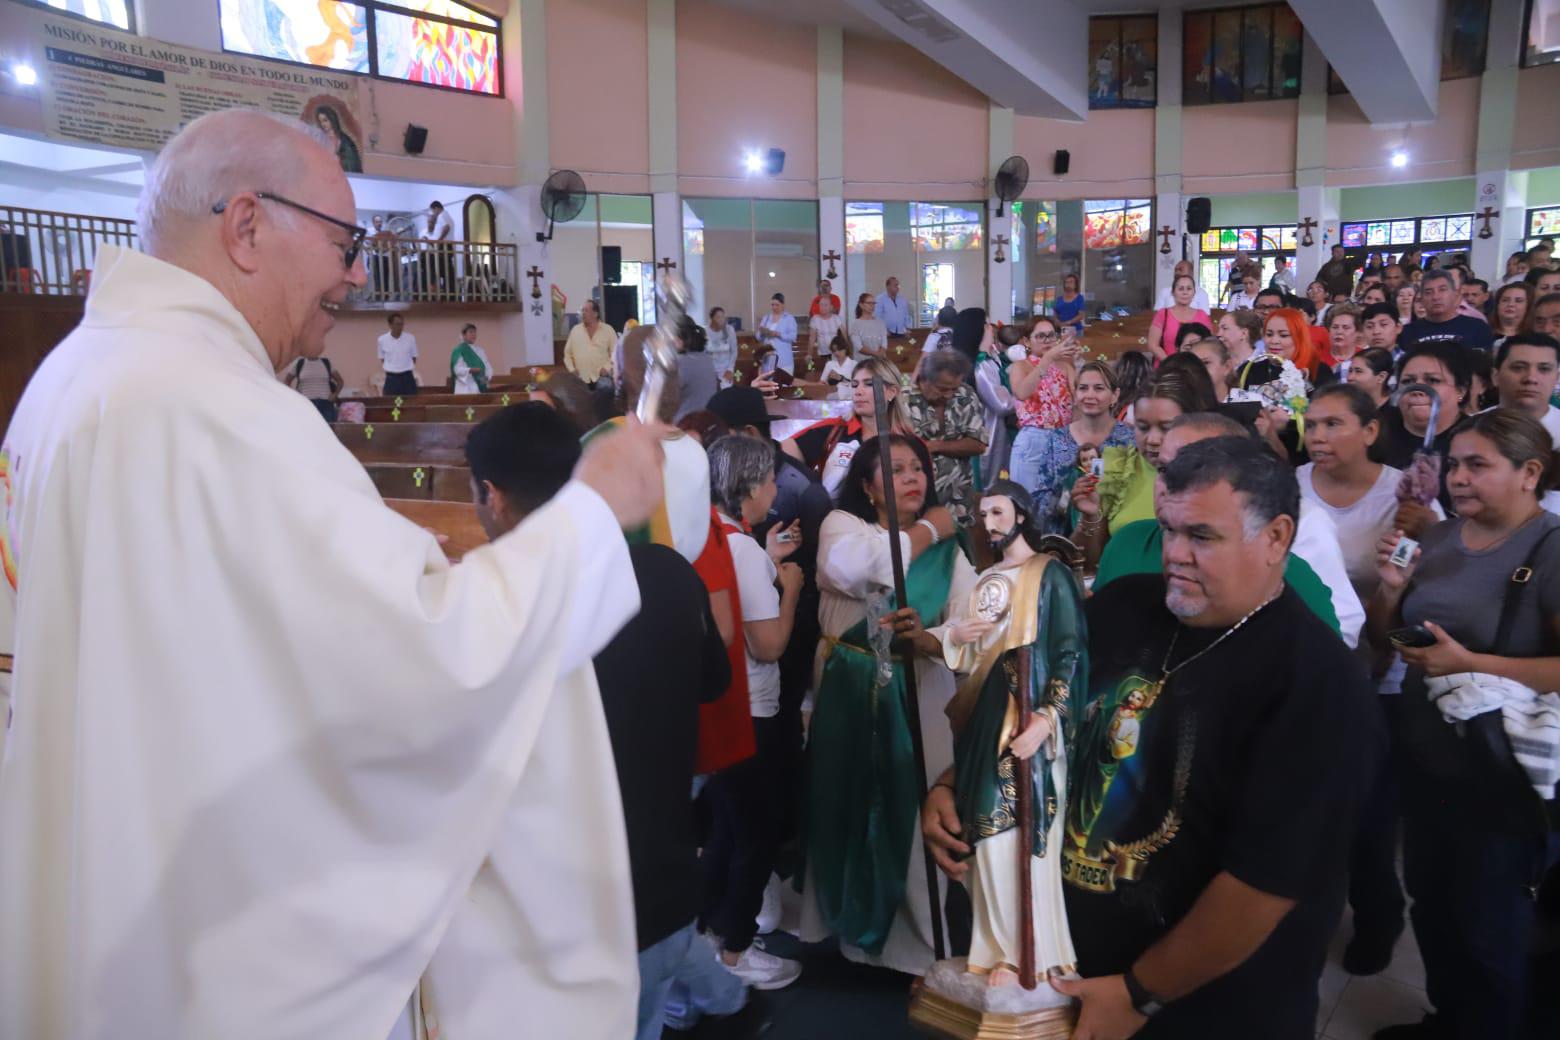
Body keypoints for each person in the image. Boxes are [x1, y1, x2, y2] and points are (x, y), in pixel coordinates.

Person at [0, 107, 670, 1040]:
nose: (355, 275)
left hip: (116, 909)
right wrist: (594, 510)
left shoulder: (70, 383)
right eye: (344, 243)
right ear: (246, 227)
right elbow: (436, 660)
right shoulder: (215, 411)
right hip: (225, 961)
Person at [927, 436, 1378, 1037]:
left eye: (1202, 537)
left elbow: (1264, 884)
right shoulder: (1122, 606)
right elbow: (1024, 699)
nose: (1175, 554)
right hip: (1058, 957)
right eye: (1169, 529)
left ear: (1275, 538)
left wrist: (1139, 994)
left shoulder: (1319, 684)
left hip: (1194, 1000)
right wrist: (956, 780)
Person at [459, 403, 738, 1040]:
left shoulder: (502, 618)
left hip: (572, 925)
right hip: (666, 885)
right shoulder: (670, 573)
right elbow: (713, 682)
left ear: (492, 495)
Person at [1367, 410, 1560, 1040]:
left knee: (1490, 925)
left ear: (1530, 472)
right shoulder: (1446, 539)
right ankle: (1450, 1020)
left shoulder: (1550, 548)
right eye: (1454, 465)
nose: (1459, 478)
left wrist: (1470, 662)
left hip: (1499, 774)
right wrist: (1392, 592)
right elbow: (1385, 639)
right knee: (1434, 904)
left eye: (1478, 465)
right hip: (1430, 758)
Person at [801, 435, 975, 975]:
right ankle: (845, 932)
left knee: (917, 806)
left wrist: (931, 637)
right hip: (849, 695)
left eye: (917, 468)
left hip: (920, 691)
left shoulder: (951, 552)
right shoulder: (843, 529)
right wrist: (927, 528)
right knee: (846, 804)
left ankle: (920, 946)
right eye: (895, 469)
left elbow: (972, 623)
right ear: (867, 485)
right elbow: (865, 568)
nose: (911, 477)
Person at [934, 481, 1087, 987]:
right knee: (983, 833)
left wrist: (1047, 717)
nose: (990, 523)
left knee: (1016, 836)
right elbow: (969, 654)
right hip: (983, 723)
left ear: (1021, 514)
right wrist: (956, 637)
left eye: (998, 512)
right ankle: (994, 948)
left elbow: (1071, 651)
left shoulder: (1050, 575)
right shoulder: (985, 580)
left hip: (1028, 728)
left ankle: (1029, 954)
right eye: (983, 514)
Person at [1090, 413, 1356, 643]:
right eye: (1164, 469)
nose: (1172, 486)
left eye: (1199, 470)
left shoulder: (1292, 578)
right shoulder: (1127, 543)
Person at [701, 435, 806, 990]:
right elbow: (767, 645)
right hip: (753, 709)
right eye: (768, 480)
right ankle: (737, 951)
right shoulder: (740, 550)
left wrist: (767, 558)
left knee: (726, 829)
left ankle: (710, 936)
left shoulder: (718, 536)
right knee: (755, 835)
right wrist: (788, 587)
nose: (774, 489)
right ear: (748, 488)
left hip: (720, 706)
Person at [1071, 367, 1217, 566]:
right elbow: (1088, 562)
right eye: (1143, 427)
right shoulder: (1116, 468)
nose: (1153, 440)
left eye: (1166, 427)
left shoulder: (1215, 475)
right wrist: (1091, 516)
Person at [1020, 360, 1134, 535]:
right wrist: (1068, 499)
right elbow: (1039, 502)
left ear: (1115, 395)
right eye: (1083, 388)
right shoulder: (1057, 440)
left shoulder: (1128, 439)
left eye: (1099, 388)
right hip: (1066, 538)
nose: (1089, 395)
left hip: (1118, 534)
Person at [784, 356, 913, 498]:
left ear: (891, 392)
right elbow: (778, 457)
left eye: (869, 384)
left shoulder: (910, 442)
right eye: (855, 385)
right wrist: (813, 493)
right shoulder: (833, 430)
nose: (858, 391)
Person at [1378, 341, 1472, 520]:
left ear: (1461, 390)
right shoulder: (1375, 434)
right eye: (1408, 381)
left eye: (1433, 380)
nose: (1418, 389)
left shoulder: (1479, 440)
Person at [907, 349, 989, 528]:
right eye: (943, 388)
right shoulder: (903, 400)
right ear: (925, 379)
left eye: (954, 388)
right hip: (915, 502)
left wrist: (934, 446)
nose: (949, 394)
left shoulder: (965, 394)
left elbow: (979, 444)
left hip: (959, 498)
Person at [1007, 315, 1081, 495]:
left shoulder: (1065, 366)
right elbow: (1022, 392)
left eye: (1051, 335)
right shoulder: (1021, 366)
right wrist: (1047, 359)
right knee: (1028, 502)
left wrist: (1076, 362)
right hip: (1034, 439)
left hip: (1063, 437)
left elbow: (1078, 402)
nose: (1047, 340)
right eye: (1040, 336)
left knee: (1058, 503)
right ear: (1027, 341)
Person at [1491, 333, 1560, 447]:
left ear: (1557, 379)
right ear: (1495, 376)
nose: (1531, 378)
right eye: (1518, 367)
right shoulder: (1469, 430)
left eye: (1544, 369)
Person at [1401, 269, 1494, 352]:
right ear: (1421, 298)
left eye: (1442, 290)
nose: (1436, 297)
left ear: (1455, 294)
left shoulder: (1477, 328)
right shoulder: (1408, 332)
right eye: (1428, 292)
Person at [1147, 274, 1213, 361]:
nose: (1185, 292)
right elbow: (1153, 345)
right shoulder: (1162, 314)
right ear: (1173, 292)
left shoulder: (1202, 315)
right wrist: (1171, 363)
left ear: (1194, 293)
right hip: (1166, 368)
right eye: (1180, 289)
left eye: (1189, 288)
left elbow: (1211, 344)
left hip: (1196, 368)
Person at [564, 299, 617, 388]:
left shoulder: (608, 330)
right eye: (582, 310)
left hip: (602, 379)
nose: (583, 313)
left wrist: (607, 368)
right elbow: (567, 354)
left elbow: (616, 354)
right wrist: (572, 370)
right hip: (581, 380)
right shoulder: (575, 330)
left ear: (595, 314)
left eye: (586, 310)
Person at [675, 317, 718, 422]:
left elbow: (663, 398)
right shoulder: (707, 359)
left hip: (684, 425)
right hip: (707, 421)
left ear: (679, 340)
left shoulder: (681, 362)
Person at [283, 353, 344, 422]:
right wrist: (294, 396)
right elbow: (286, 381)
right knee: (306, 429)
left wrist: (335, 395)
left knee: (327, 429)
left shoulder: (326, 362)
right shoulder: (299, 363)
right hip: (305, 404)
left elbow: (340, 381)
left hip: (326, 404)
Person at [756, 292, 798, 374]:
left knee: (785, 384)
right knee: (768, 384)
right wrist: (762, 333)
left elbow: (793, 336)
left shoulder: (789, 318)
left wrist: (779, 334)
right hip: (768, 359)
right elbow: (758, 336)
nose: (774, 307)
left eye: (777, 305)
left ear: (783, 305)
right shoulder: (766, 318)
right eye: (772, 305)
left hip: (783, 359)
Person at [378, 311, 419, 396]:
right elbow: (382, 359)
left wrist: (404, 367)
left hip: (407, 377)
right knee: (392, 405)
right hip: (392, 378)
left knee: (410, 404)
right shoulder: (382, 340)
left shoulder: (410, 338)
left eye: (402, 324)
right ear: (390, 325)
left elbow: (414, 357)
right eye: (397, 324)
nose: (400, 327)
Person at [420, 199, 455, 299]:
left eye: (433, 211)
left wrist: (438, 241)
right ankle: (445, 293)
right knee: (445, 270)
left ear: (436, 208)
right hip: (446, 246)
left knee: (436, 267)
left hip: (444, 246)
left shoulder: (442, 215)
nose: (433, 213)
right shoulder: (446, 215)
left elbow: (446, 228)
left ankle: (435, 290)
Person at [449, 321, 492, 394]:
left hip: (479, 387)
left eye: (475, 332)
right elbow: (457, 369)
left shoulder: (480, 350)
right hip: (464, 387)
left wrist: (485, 380)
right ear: (464, 335)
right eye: (471, 332)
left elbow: (487, 367)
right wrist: (470, 370)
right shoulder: (459, 350)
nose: (474, 335)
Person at [1324, 302, 1364, 379]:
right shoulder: (1317, 359)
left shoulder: (1365, 357)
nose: (1339, 332)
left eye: (1346, 328)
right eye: (1335, 327)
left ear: (1358, 332)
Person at [705, 305, 739, 386]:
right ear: (712, 319)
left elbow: (734, 351)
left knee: (726, 394)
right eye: (718, 317)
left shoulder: (729, 330)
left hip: (725, 368)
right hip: (710, 369)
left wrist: (730, 369)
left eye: (723, 317)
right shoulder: (705, 332)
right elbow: (703, 353)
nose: (721, 320)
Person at [1490, 282, 1531, 348]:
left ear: (1529, 305)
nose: (1511, 304)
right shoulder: (1482, 332)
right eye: (1505, 300)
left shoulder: (1535, 338)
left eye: (1518, 301)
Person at [851, 292, 889, 358]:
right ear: (861, 305)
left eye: (873, 303)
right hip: (862, 362)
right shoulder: (856, 324)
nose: (872, 306)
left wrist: (881, 354)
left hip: (878, 361)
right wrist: (875, 354)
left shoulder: (880, 323)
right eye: (869, 303)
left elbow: (884, 344)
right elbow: (859, 347)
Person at [809, 292, 844, 359]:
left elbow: (844, 336)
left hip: (836, 353)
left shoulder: (837, 318)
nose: (823, 307)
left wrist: (847, 352)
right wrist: (810, 354)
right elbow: (812, 339)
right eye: (821, 305)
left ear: (831, 307)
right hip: (822, 354)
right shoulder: (815, 319)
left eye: (825, 305)